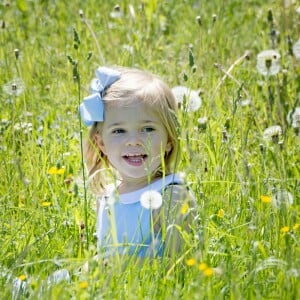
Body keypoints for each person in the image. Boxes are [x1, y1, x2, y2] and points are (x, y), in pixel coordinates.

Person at [79, 66, 195, 260]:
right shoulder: (106, 198)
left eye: (148, 129)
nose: (133, 140)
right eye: (119, 131)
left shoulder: (171, 196)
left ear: (169, 140)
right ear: (101, 144)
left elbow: (183, 266)